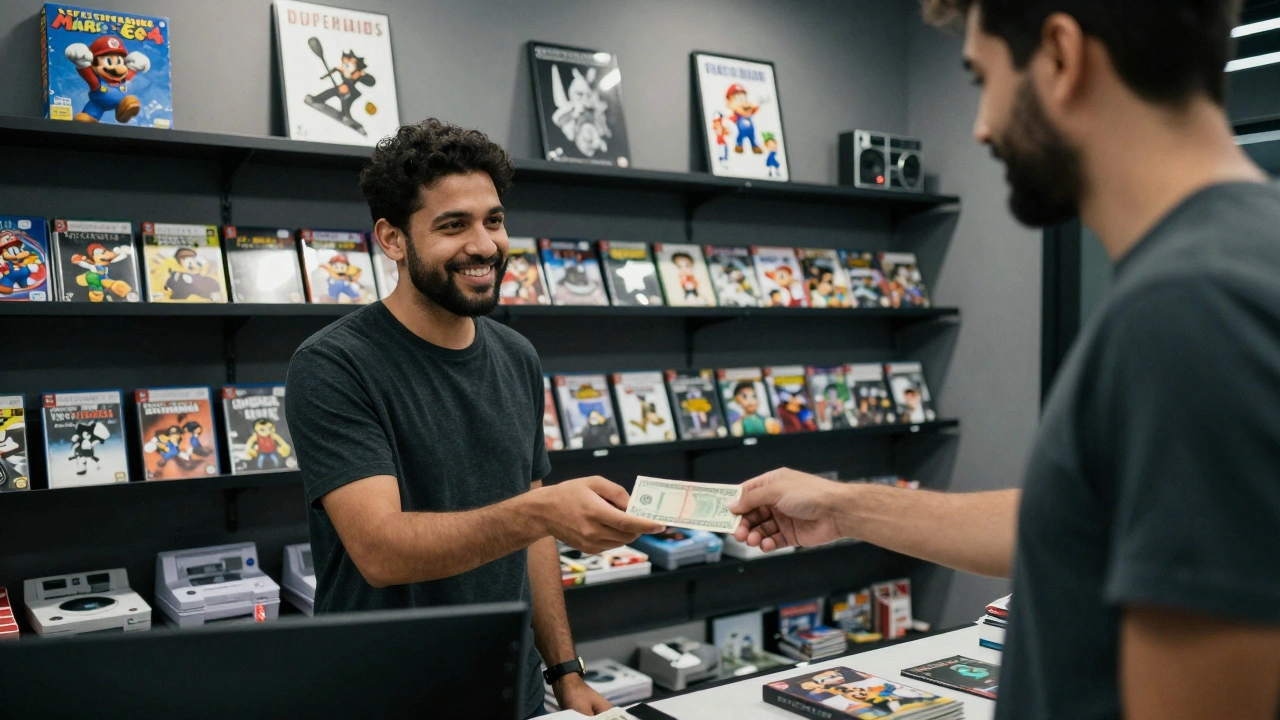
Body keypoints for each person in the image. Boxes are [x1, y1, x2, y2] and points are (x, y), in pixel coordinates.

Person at [733, 2, 1280, 719]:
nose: (982, 125)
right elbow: (1080, 521)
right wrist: (845, 507)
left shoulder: (1187, 307)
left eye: (982, 77)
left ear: (1060, 55)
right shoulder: (1232, 260)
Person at [286, 118, 664, 719]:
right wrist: (541, 510)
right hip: (384, 694)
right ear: (392, 239)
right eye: (453, 225)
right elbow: (380, 552)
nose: (485, 245)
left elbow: (531, 538)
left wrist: (565, 671)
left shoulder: (516, 356)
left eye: (493, 220)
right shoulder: (333, 365)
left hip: (508, 691)